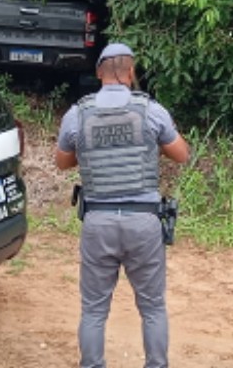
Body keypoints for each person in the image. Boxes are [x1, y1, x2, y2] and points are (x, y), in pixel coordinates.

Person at [55, 41, 190, 368]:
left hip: (98, 223)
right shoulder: (151, 111)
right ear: (130, 72)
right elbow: (182, 154)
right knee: (153, 307)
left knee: (93, 310)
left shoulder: (78, 114)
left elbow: (62, 162)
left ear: (99, 73)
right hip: (143, 224)